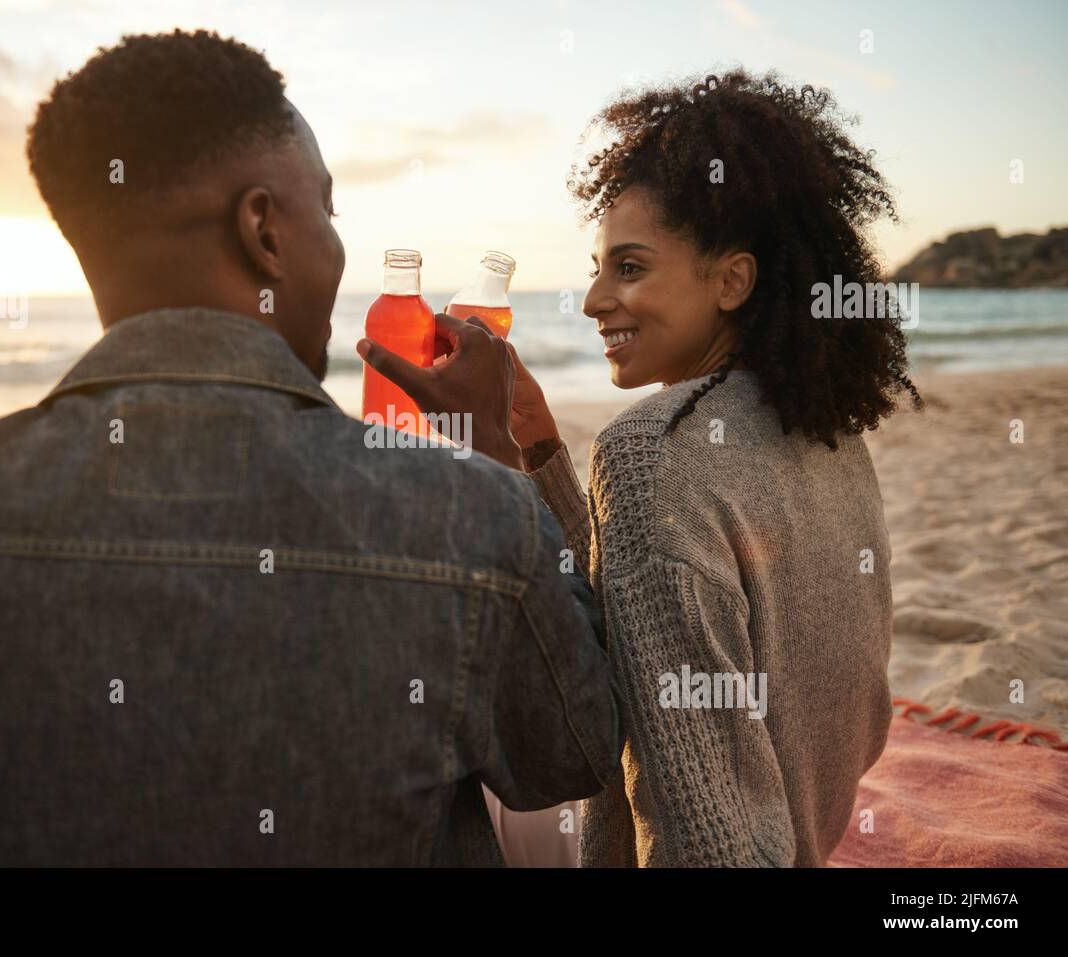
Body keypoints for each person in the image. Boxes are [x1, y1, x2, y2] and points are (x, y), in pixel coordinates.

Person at [0, 29, 621, 866]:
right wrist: (494, 454)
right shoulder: (466, 519)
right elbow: (576, 750)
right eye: (329, 208)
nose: (337, 242)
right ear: (264, 232)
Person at [360, 70, 921, 866]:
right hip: (812, 823)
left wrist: (484, 460)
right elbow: (651, 601)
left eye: (628, 268)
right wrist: (539, 449)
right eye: (598, 267)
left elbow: (698, 827)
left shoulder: (650, 447)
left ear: (731, 280)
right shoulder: (820, 422)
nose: (591, 299)